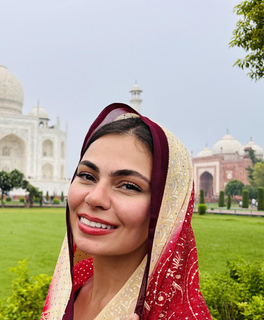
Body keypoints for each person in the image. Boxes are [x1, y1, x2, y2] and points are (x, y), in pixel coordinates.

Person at [41, 103, 211, 320]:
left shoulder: (177, 314)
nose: (94, 197)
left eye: (129, 186)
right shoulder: (68, 293)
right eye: (87, 176)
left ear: (168, 208)